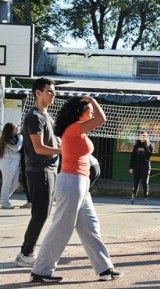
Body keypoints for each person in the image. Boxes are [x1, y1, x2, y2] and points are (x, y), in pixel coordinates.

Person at [30, 96, 123, 283]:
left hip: (80, 183)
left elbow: (97, 119)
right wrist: (92, 100)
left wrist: (89, 103)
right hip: (72, 182)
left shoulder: (78, 130)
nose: (91, 112)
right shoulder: (74, 128)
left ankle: (104, 268)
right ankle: (41, 271)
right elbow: (101, 118)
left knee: (91, 227)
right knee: (61, 228)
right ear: (79, 112)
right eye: (88, 109)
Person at [15, 78, 61, 267]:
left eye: (54, 91)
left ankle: (25, 253)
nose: (53, 94)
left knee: (43, 213)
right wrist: (63, 151)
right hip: (39, 170)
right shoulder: (35, 116)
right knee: (40, 214)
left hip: (49, 169)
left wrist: (60, 145)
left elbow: (50, 143)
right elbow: (39, 148)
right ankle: (26, 254)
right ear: (38, 93)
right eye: (49, 91)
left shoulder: (47, 116)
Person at [0, 123, 23, 209]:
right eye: (15, 128)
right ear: (10, 130)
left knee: (16, 184)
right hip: (7, 162)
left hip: (15, 162)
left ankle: (3, 198)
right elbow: (17, 148)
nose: (17, 129)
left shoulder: (16, 137)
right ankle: (5, 201)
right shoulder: (5, 140)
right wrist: (21, 138)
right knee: (7, 183)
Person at [128, 131, 153, 204]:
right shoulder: (136, 145)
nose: (142, 137)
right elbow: (133, 156)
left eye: (144, 136)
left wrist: (146, 145)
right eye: (141, 136)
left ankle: (145, 198)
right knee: (136, 182)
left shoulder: (149, 145)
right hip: (137, 166)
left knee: (145, 183)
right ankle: (133, 198)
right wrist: (131, 167)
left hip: (145, 166)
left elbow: (149, 155)